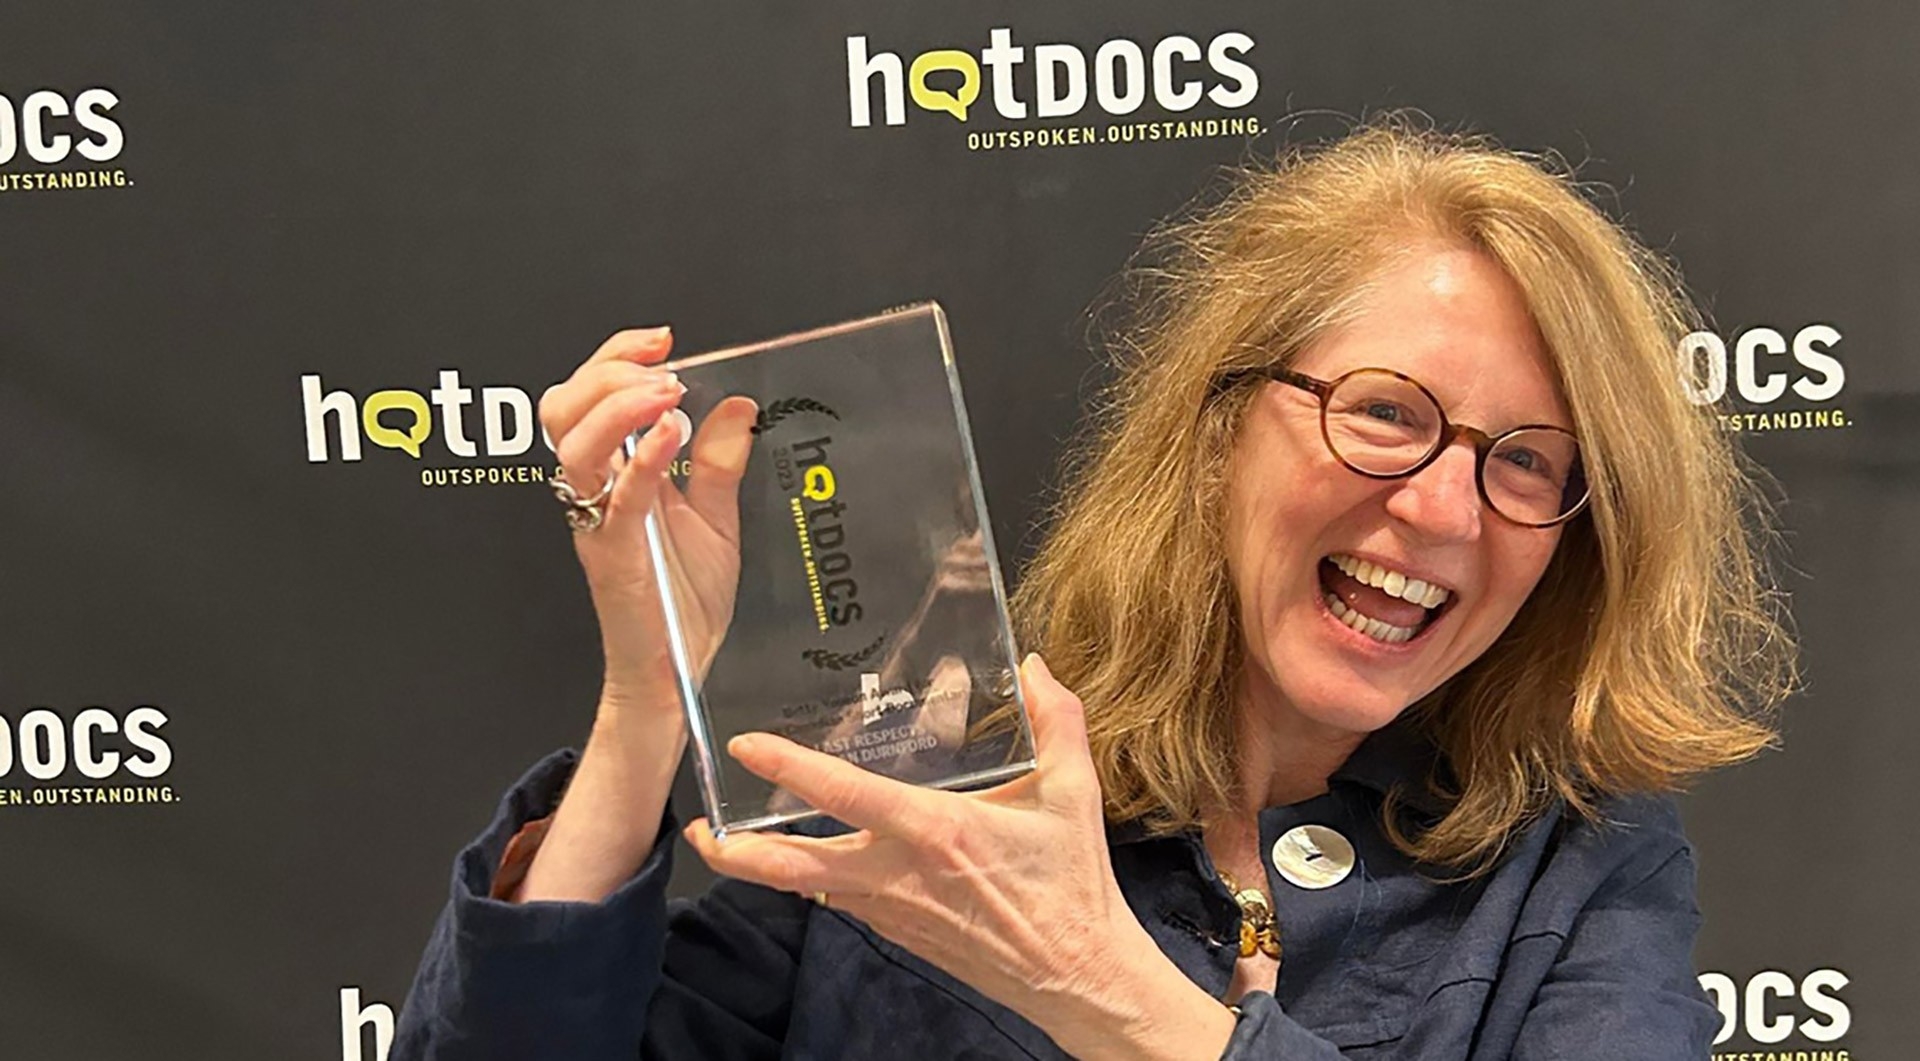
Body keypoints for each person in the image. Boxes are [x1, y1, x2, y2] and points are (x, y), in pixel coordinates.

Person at [393, 121, 1792, 1060]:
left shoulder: (1587, 860)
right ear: (1220, 420)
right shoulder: (949, 761)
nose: (1437, 506)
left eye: (1527, 463)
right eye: (1383, 412)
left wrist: (1102, 983)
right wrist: (650, 706)